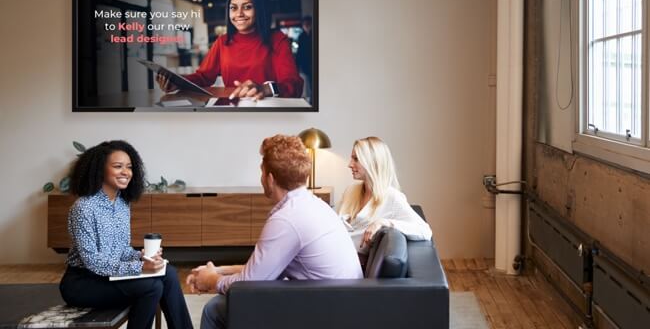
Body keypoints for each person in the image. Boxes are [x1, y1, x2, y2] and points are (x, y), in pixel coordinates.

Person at [187, 135, 363, 329]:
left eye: (261, 172)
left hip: (326, 311)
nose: (261, 177)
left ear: (270, 179)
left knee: (215, 309)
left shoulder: (287, 219)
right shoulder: (311, 204)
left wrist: (212, 280)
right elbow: (263, 269)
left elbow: (249, 285)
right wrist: (218, 270)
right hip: (343, 303)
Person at [59, 140, 193, 329]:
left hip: (111, 276)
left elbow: (121, 250)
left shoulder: (122, 204)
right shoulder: (84, 207)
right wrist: (140, 267)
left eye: (129, 167)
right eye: (118, 166)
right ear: (100, 169)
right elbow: (93, 262)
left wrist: (143, 256)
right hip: (83, 282)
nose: (126, 172)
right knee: (151, 287)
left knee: (168, 273)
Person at [157, 0, 303, 99]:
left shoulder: (277, 39)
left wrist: (265, 88)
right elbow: (203, 77)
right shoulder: (222, 42)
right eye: (233, 8)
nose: (239, 14)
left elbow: (294, 85)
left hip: (267, 109)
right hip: (231, 108)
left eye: (247, 7)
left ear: (259, 9)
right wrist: (178, 82)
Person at [336, 137, 432, 261]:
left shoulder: (392, 198)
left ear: (372, 162)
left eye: (356, 159)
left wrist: (383, 222)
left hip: (349, 263)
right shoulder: (351, 190)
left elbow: (425, 231)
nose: (349, 164)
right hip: (331, 252)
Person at [296, 16, 313, 100]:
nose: (306, 25)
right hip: (306, 64)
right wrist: (297, 66)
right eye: (305, 24)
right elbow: (300, 52)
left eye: (308, 24)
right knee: (309, 84)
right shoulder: (301, 36)